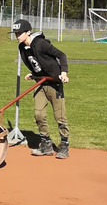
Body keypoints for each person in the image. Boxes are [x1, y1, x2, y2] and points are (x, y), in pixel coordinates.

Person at [10, 19, 70, 159]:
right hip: (41, 83)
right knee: (39, 115)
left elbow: (61, 55)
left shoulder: (41, 44)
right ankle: (46, 144)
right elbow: (35, 63)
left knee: (60, 117)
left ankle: (64, 145)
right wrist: (33, 74)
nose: (17, 36)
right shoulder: (22, 47)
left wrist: (64, 73)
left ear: (28, 32)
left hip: (54, 83)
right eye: (16, 33)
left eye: (20, 33)